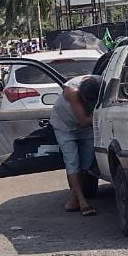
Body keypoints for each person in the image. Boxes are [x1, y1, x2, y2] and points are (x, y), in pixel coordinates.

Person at [51, 74, 101, 216]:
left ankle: (72, 199)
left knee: (86, 164)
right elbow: (83, 121)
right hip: (65, 127)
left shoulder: (101, 82)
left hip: (86, 130)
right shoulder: (72, 92)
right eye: (86, 101)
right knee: (72, 162)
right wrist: (101, 116)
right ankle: (82, 201)